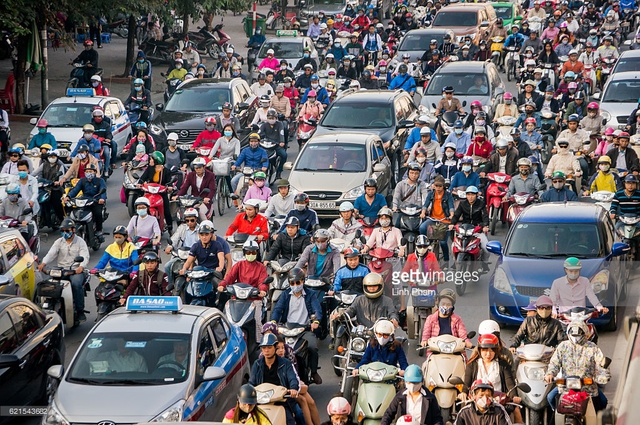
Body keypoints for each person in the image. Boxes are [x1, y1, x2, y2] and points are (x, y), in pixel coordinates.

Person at [271, 267, 323, 384]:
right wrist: (273, 321)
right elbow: (277, 310)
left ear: (303, 281)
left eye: (297, 282)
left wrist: (316, 322)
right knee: (275, 347)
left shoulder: (310, 294)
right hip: (287, 329)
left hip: (305, 329)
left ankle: (314, 371)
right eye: (292, 283)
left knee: (312, 347)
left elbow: (317, 310)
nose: (295, 285)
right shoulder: (285, 295)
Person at [544, 321, 611, 411]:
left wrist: (603, 375)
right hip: (566, 387)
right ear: (568, 334)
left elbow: (601, 363)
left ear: (585, 334)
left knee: (603, 401)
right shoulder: (562, 347)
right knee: (550, 397)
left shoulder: (593, 348)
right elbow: (554, 363)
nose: (576, 338)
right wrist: (550, 374)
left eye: (578, 335)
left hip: (588, 387)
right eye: (573, 335)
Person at [38, 218, 90, 322]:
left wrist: (81, 267)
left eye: (67, 230)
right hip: (61, 270)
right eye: (63, 231)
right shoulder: (59, 242)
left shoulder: (81, 242)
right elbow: (51, 253)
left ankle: (80, 311)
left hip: (75, 271)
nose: (65, 233)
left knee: (76, 284)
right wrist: (43, 263)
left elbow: (85, 256)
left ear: (73, 230)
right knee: (50, 285)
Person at [219, 239, 268, 341]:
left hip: (254, 299)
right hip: (237, 298)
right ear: (244, 253)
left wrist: (262, 290)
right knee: (226, 318)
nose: (251, 254)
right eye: (248, 252)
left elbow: (263, 282)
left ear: (257, 253)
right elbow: (229, 277)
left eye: (253, 252)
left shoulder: (261, 267)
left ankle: (260, 343)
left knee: (258, 321)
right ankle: (224, 340)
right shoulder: (238, 265)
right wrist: (222, 285)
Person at [248, 333, 300, 425]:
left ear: (275, 347)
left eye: (269, 347)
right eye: (264, 348)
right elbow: (251, 382)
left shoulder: (286, 363)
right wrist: (247, 393)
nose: (266, 350)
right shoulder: (257, 364)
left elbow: (292, 379)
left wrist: (293, 389)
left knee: (299, 415)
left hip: (283, 401)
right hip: (261, 402)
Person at [449, 186, 489, 270]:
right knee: (454, 245)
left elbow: (485, 216)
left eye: (472, 195)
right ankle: (455, 262)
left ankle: (484, 264)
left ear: (476, 195)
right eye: (468, 195)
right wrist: (452, 223)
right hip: (464, 230)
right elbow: (456, 215)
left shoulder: (481, 204)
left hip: (477, 230)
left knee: (486, 248)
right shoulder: (463, 204)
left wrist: (485, 226)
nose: (470, 197)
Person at [419, 177, 454, 265]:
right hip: (433, 219)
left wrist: (451, 215)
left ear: (443, 186)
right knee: (422, 228)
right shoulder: (431, 194)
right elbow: (425, 204)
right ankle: (426, 246)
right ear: (433, 186)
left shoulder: (448, 195)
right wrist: (423, 212)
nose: (438, 188)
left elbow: (451, 207)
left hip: (444, 220)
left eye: (440, 186)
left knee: (443, 242)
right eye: (436, 186)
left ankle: (446, 260)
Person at [64, 163, 106, 234]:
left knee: (98, 213)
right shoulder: (82, 181)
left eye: (91, 171)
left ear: (95, 172)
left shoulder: (100, 181)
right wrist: (68, 196)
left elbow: (103, 191)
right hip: (85, 201)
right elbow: (75, 190)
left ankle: (99, 230)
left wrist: (102, 199)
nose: (89, 173)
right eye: (87, 172)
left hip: (96, 201)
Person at [138, 151, 174, 232]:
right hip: (150, 193)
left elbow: (169, 182)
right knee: (140, 206)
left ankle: (170, 228)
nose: (150, 161)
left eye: (151, 159)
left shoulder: (166, 171)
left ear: (156, 161)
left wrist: (169, 187)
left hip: (161, 193)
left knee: (167, 211)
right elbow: (143, 178)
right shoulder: (150, 169)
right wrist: (139, 183)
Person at [258, 109, 287, 179]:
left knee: (284, 155)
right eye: (269, 118)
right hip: (266, 145)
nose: (271, 120)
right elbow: (259, 133)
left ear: (276, 118)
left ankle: (279, 171)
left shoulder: (280, 124)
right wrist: (257, 140)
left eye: (272, 118)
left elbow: (281, 133)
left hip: (276, 145)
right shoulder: (264, 125)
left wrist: (282, 142)